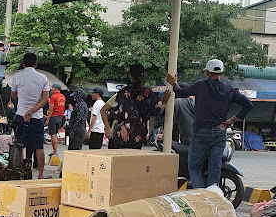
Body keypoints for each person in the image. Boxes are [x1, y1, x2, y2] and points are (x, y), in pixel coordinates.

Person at [167, 59, 252, 188]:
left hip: (201, 132)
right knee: (215, 167)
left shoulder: (200, 86)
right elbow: (248, 105)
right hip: (220, 132)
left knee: (194, 167)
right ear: (222, 72)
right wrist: (232, 120)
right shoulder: (230, 89)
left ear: (207, 72)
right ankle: (212, 194)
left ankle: (201, 194)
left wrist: (174, 83)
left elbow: (181, 92)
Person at [100, 64, 166, 149]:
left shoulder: (122, 91)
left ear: (130, 76)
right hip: (137, 135)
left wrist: (122, 125)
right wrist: (163, 103)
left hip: (120, 135)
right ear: (143, 76)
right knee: (134, 157)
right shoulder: (147, 92)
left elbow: (115, 112)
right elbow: (154, 111)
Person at [10, 52, 49, 179]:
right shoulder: (43, 78)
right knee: (39, 146)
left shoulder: (17, 76)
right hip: (37, 116)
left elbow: (13, 95)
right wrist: (32, 111)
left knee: (20, 145)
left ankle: (21, 173)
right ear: (36, 64)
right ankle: (41, 175)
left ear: (23, 64)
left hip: (21, 115)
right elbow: (45, 99)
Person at [46, 83, 66, 161]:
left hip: (54, 117)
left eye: (52, 88)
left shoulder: (53, 96)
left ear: (55, 88)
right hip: (60, 118)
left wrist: (48, 119)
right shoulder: (63, 97)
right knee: (55, 134)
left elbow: (51, 109)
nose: (51, 89)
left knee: (53, 134)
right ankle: (55, 150)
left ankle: (55, 151)